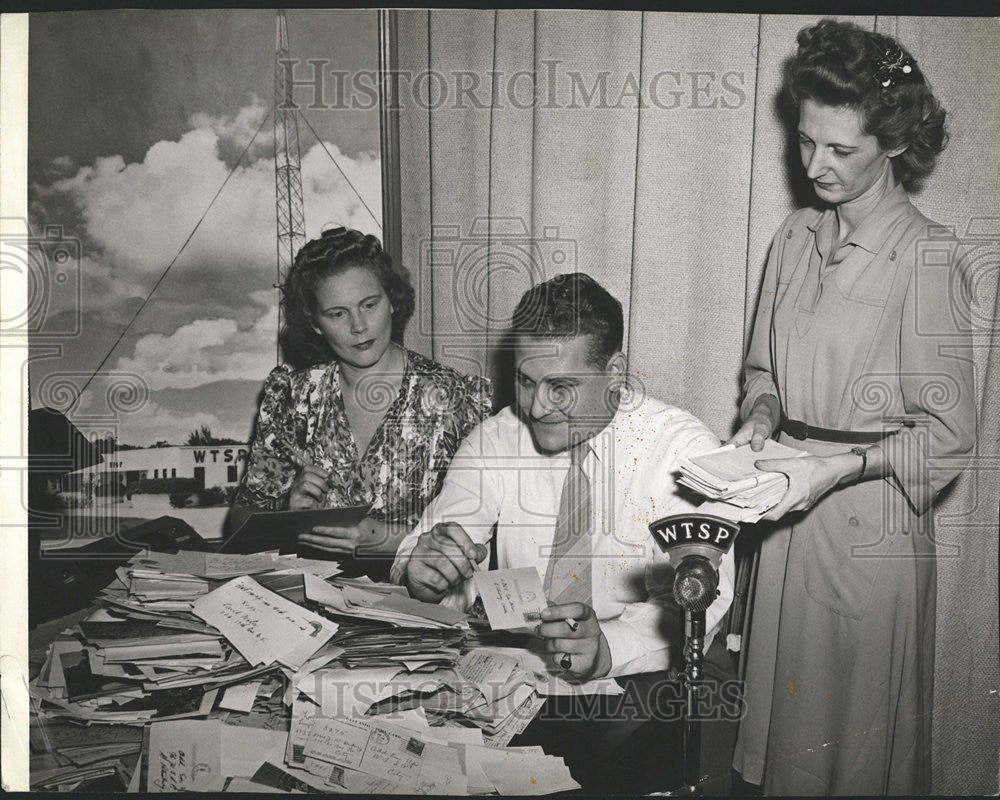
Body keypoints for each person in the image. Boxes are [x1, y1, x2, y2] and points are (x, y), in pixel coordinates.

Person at [729, 20, 976, 796]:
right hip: (786, 524)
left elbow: (948, 437)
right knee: (779, 756)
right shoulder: (793, 236)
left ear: (895, 144)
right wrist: (760, 421)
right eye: (806, 143)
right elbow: (762, 370)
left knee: (851, 761)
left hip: (870, 539)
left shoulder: (928, 256)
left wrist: (837, 467)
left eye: (842, 150)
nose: (816, 166)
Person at [391, 273, 737, 793]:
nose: (535, 407)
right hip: (512, 669)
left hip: (634, 673)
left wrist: (606, 649)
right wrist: (424, 574)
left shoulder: (682, 452)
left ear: (614, 371)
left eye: (561, 388)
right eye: (526, 381)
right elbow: (433, 545)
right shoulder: (495, 441)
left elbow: (704, 603)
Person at [232, 227, 493, 569]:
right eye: (337, 314)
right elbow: (238, 524)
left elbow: (484, 535)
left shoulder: (458, 399)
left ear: (392, 301)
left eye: (369, 305)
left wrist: (383, 539)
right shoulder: (292, 398)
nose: (359, 326)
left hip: (418, 608)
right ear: (314, 322)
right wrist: (285, 510)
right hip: (311, 601)